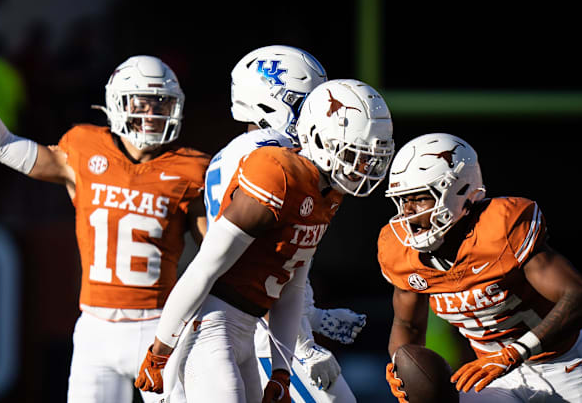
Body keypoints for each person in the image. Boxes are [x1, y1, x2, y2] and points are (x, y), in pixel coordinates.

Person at [0, 39, 210, 403]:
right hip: (95, 328)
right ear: (119, 103)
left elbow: (215, 257)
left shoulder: (191, 168)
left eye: (162, 104)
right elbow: (0, 146)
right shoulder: (84, 148)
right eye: (144, 103)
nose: (152, 114)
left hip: (160, 327)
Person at [134, 77, 394, 403]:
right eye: (356, 154)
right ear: (318, 138)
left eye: (371, 156)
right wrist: (160, 349)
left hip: (248, 325)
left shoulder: (327, 193)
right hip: (209, 327)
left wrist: (282, 372)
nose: (364, 166)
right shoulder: (278, 174)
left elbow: (291, 288)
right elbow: (204, 268)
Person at [379, 133, 582, 402]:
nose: (408, 212)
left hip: (562, 365)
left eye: (420, 198)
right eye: (402, 200)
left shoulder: (500, 227)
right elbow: (407, 324)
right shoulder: (400, 250)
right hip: (492, 375)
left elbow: (581, 298)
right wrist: (401, 367)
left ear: (458, 192)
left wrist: (515, 352)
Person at [202, 45, 371, 403]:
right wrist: (303, 347)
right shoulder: (268, 158)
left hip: (266, 332)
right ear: (268, 101)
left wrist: (311, 315)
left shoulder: (245, 153)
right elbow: (249, 267)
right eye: (305, 101)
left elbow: (279, 264)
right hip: (264, 340)